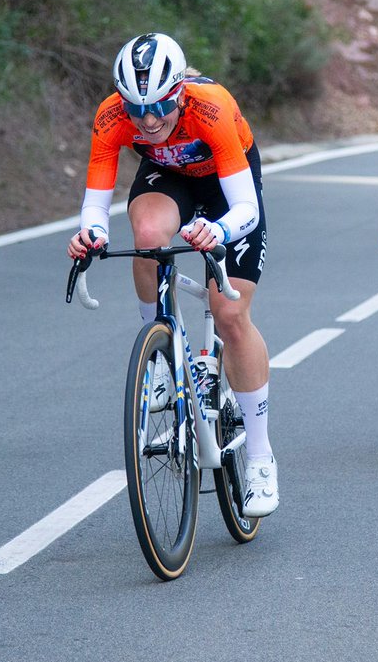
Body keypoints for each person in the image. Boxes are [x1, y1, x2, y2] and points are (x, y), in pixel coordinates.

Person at [66, 32, 279, 518]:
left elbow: (246, 205)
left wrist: (218, 229)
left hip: (229, 186)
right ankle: (163, 353)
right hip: (170, 179)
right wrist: (90, 235)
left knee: (229, 314)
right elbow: (95, 205)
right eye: (136, 108)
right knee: (145, 234)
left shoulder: (211, 107)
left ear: (179, 90)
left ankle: (262, 457)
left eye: (160, 105)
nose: (148, 120)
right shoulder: (111, 116)